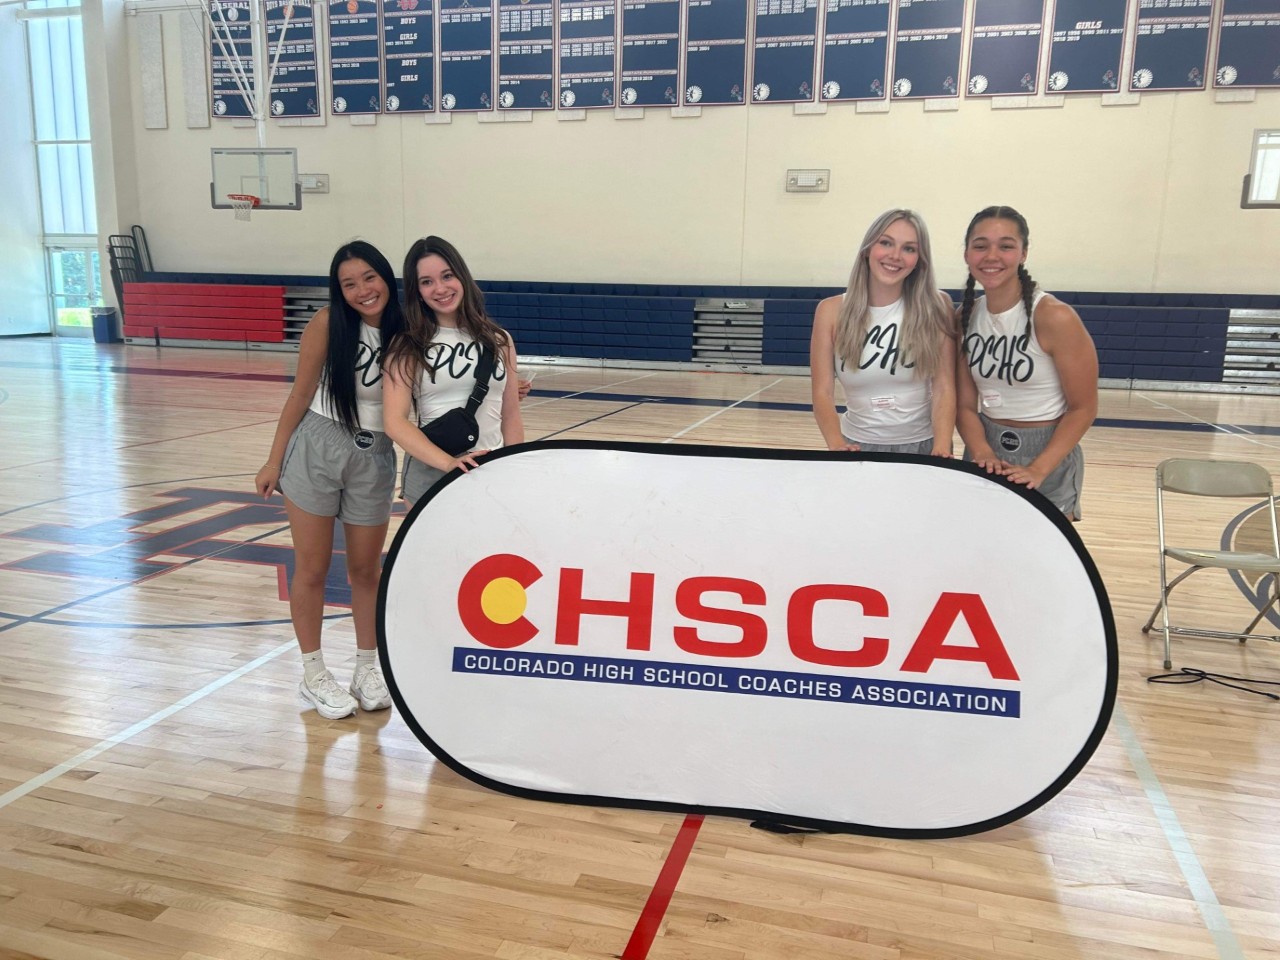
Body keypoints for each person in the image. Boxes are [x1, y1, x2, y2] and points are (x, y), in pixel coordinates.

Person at [255, 241, 403, 719]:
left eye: (369, 277)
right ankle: (313, 673)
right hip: (318, 444)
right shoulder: (327, 323)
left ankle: (366, 666)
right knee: (313, 568)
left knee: (365, 570)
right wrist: (274, 460)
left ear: (386, 277)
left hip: (375, 453)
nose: (362, 290)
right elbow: (300, 393)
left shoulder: (411, 329)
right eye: (349, 283)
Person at [955, 205, 1098, 519]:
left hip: (1047, 452)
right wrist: (981, 451)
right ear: (967, 254)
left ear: (1023, 254)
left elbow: (1083, 408)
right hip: (986, 449)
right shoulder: (964, 317)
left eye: (1006, 246)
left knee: (1041, 561)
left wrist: (1038, 469)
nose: (992, 256)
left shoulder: (1054, 316)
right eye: (981, 246)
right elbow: (964, 405)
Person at [382, 236, 524, 505]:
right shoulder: (407, 344)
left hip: (491, 469)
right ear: (418, 292)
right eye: (427, 282)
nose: (440, 288)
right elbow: (394, 422)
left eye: (447, 276)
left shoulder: (500, 340)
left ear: (462, 277)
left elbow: (511, 414)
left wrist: (513, 466)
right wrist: (450, 464)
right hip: (434, 471)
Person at [810, 208, 956, 455]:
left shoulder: (937, 306)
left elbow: (944, 387)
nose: (895, 256)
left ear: (920, 260)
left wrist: (941, 447)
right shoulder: (830, 311)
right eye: (886, 243)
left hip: (924, 445)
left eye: (909, 248)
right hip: (856, 445)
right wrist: (836, 443)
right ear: (867, 249)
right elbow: (822, 391)